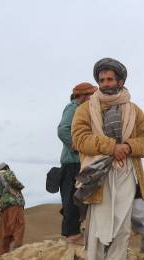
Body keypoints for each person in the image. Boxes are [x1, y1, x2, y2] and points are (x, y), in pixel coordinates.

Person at [72, 58, 144, 260]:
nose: (105, 84)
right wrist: (110, 147)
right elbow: (79, 139)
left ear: (121, 81)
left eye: (110, 79)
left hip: (126, 171)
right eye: (102, 79)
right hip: (99, 174)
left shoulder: (134, 110)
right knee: (98, 226)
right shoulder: (85, 109)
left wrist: (127, 146)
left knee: (122, 226)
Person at [57, 82, 97, 245]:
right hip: (72, 161)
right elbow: (63, 130)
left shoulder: (83, 109)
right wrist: (78, 146)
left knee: (80, 196)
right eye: (91, 95)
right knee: (72, 197)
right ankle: (72, 234)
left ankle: (76, 230)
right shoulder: (73, 108)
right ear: (83, 96)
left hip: (79, 161)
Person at [0, 163, 25, 255]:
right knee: (18, 225)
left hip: (3, 209)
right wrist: (21, 186)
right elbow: (14, 182)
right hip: (14, 204)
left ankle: (4, 255)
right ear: (7, 167)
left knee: (4, 232)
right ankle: (17, 250)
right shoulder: (8, 173)